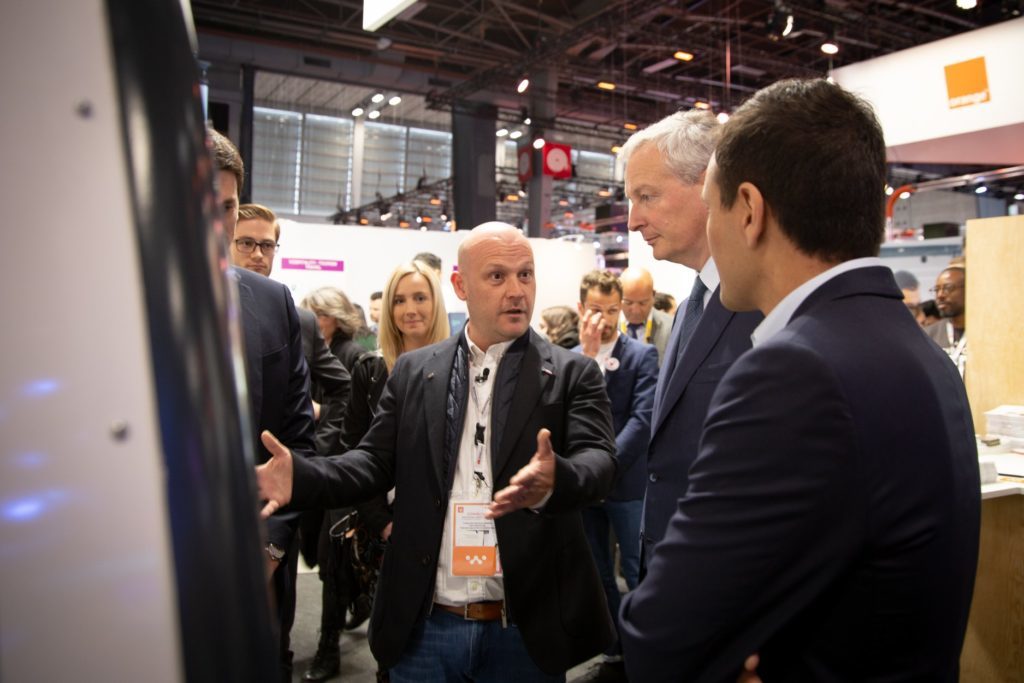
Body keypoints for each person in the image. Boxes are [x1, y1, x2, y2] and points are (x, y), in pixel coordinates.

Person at [620, 78, 980, 682]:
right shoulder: (920, 354)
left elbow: (662, 637)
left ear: (750, 213)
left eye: (715, 206)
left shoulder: (794, 370)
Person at [256, 222, 618, 681]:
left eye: (525, 275)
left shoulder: (572, 373)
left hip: (524, 628)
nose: (516, 291)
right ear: (461, 285)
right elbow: (372, 463)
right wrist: (301, 476)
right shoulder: (413, 371)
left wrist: (556, 479)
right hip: (427, 626)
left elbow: (601, 462)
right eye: (497, 276)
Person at [621, 110, 762, 569]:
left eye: (646, 196)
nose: (632, 220)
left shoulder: (763, 305)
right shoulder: (690, 306)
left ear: (708, 185)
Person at [210, 129, 317, 683]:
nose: (218, 221)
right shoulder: (110, 298)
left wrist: (273, 550)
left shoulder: (272, 302)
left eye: (226, 206)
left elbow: (297, 440)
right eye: (202, 202)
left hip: (256, 560)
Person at [339, 261, 451, 681]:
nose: (410, 309)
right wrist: (382, 523)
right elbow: (354, 452)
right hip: (386, 529)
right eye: (399, 300)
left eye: (420, 297)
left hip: (444, 526)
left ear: (436, 303)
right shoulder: (369, 371)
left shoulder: (461, 366)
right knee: (395, 639)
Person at [572, 270, 658, 683]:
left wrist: (603, 465)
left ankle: (646, 650)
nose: (604, 319)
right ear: (580, 309)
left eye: (611, 309)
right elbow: (570, 420)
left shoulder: (642, 355)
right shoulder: (570, 358)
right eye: (595, 309)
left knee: (639, 569)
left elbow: (642, 422)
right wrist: (588, 358)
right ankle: (614, 648)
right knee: (597, 571)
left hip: (625, 485)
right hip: (587, 492)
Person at [617, 268, 672, 364]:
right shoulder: (608, 325)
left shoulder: (672, 327)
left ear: (653, 295)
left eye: (643, 303)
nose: (636, 311)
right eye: (628, 302)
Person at [924, 264, 967, 377]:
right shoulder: (928, 336)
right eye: (937, 290)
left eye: (947, 288)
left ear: (968, 289)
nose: (940, 295)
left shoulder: (988, 336)